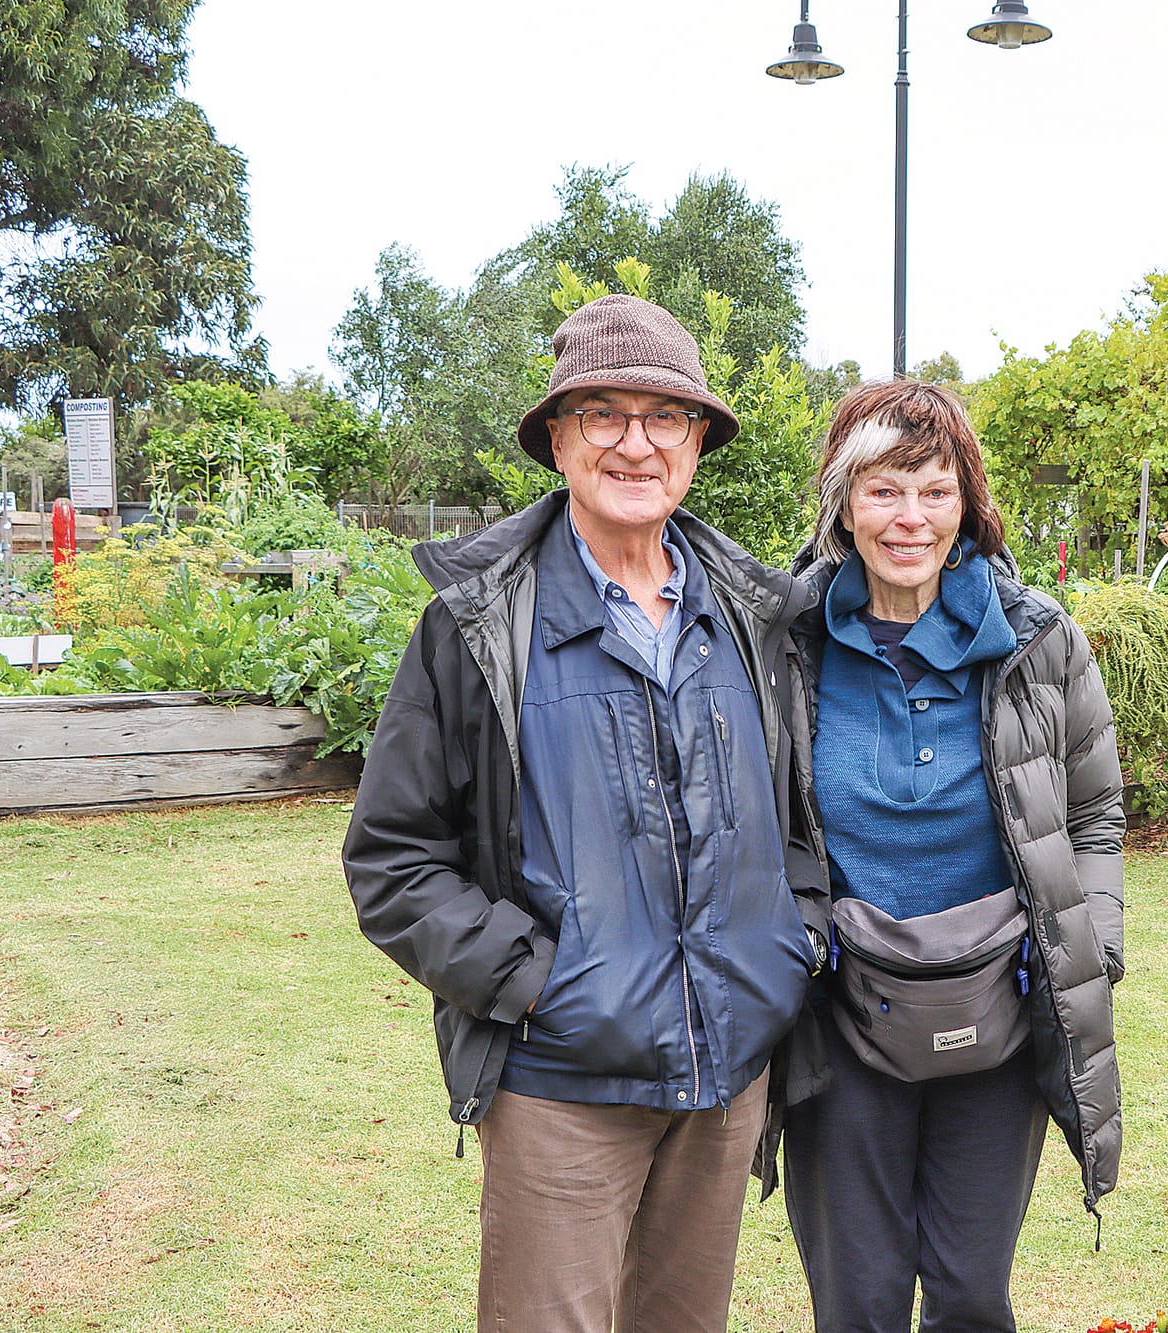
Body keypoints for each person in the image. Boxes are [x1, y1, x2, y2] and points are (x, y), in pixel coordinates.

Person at [342, 294, 829, 1333]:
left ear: (696, 440)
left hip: (724, 1074)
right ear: (557, 438)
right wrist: (530, 983)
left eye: (664, 417)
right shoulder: (474, 627)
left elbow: (794, 820)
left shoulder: (751, 614)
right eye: (602, 414)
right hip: (561, 1082)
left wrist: (790, 943)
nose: (634, 443)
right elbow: (392, 860)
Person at [783, 379, 1125, 1333]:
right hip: (841, 1014)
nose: (910, 518)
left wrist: (1093, 949)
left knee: (973, 1295)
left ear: (968, 501)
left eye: (935, 490)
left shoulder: (1041, 641)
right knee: (860, 1302)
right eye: (884, 489)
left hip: (999, 1014)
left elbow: (1095, 814)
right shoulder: (787, 639)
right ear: (842, 501)